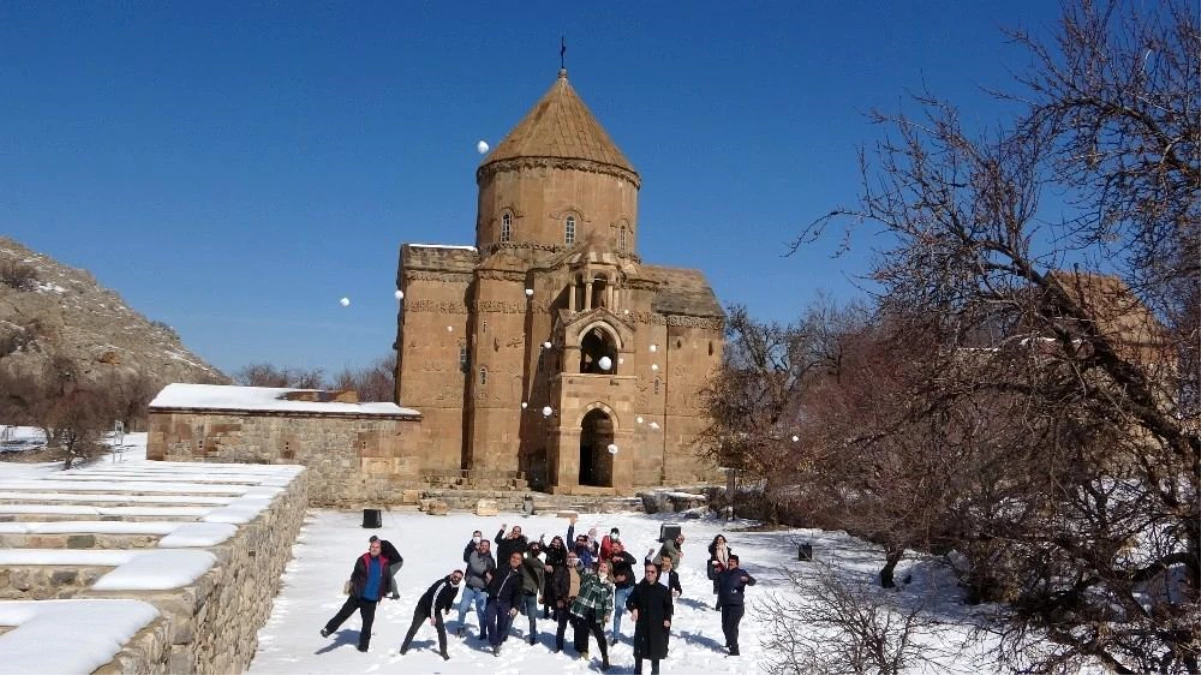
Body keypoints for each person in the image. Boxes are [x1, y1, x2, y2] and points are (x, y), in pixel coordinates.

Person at [320, 538, 394, 652]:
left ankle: (363, 648)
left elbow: (387, 579)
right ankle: (328, 630)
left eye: (377, 547)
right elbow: (355, 574)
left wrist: (385, 591)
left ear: (380, 550)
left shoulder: (384, 563)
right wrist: (354, 586)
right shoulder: (363, 559)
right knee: (343, 613)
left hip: (371, 600)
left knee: (367, 624)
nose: (374, 549)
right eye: (372, 547)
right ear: (369, 548)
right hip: (357, 595)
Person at [400, 569, 463, 660]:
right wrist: (433, 616)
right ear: (452, 575)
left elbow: (450, 599)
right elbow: (433, 599)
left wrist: (447, 609)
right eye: (455, 576)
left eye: (459, 578)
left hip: (436, 610)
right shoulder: (443, 584)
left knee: (441, 629)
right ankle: (404, 648)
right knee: (414, 627)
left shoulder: (455, 588)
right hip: (424, 607)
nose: (456, 579)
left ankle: (443, 651)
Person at [626, 561, 673, 675]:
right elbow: (630, 601)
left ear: (656, 574)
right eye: (647, 572)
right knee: (639, 655)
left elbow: (668, 606)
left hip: (657, 627)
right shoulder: (639, 588)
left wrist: (667, 619)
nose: (649, 574)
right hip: (642, 626)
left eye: (652, 572)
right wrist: (634, 609)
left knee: (655, 655)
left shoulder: (663, 589)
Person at [570, 559, 613, 670]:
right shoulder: (590, 576)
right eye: (601, 566)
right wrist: (578, 562)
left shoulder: (609, 586)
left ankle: (604, 656)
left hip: (598, 613)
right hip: (584, 609)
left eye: (605, 567)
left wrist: (607, 614)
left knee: (600, 636)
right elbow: (581, 569)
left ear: (608, 570)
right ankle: (584, 651)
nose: (602, 569)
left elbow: (609, 602)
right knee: (583, 631)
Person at [484, 550, 524, 656]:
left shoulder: (519, 577)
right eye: (513, 557)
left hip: (505, 603)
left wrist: (515, 606)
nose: (515, 560)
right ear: (510, 558)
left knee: (502, 625)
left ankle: (498, 644)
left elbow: (518, 593)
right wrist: (489, 586)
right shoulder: (502, 568)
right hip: (492, 600)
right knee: (489, 620)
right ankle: (493, 641)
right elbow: (492, 580)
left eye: (517, 559)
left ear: (520, 562)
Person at [716, 554, 756, 656]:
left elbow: (753, 582)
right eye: (729, 561)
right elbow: (713, 578)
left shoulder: (741, 573)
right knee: (725, 627)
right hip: (725, 604)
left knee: (731, 627)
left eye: (733, 561)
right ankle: (730, 641)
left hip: (737, 605)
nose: (730, 563)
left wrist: (747, 580)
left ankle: (734, 650)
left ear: (737, 563)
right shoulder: (723, 573)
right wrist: (715, 571)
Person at [457, 538, 495, 638]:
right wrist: (485, 572)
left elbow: (492, 573)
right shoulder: (474, 554)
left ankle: (483, 630)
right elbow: (474, 565)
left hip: (482, 590)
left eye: (486, 546)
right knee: (462, 609)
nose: (484, 547)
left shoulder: (491, 560)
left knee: (481, 612)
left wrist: (488, 574)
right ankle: (460, 627)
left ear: (489, 548)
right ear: (479, 546)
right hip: (469, 587)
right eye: (482, 545)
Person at [550, 549, 582, 653]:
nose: (571, 559)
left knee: (577, 626)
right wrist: (559, 599)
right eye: (569, 557)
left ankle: (577, 646)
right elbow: (554, 584)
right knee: (562, 626)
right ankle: (559, 647)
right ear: (566, 559)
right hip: (564, 601)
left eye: (573, 557)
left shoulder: (580, 571)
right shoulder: (561, 569)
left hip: (576, 603)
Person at [608, 540, 638, 641]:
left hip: (631, 587)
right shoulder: (609, 560)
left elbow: (634, 561)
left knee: (637, 610)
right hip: (620, 589)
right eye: (613, 546)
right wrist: (615, 580)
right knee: (618, 611)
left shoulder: (624, 554)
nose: (615, 548)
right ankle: (616, 637)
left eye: (617, 546)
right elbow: (608, 574)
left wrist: (621, 559)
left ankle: (639, 636)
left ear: (620, 547)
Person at [519, 541, 546, 645]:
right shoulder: (525, 556)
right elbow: (530, 562)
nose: (536, 548)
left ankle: (532, 637)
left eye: (537, 547)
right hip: (522, 590)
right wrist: (543, 566)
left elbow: (542, 580)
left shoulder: (540, 563)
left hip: (532, 593)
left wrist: (541, 593)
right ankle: (504, 635)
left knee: (532, 617)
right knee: (514, 612)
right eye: (533, 546)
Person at [541, 533, 567, 619]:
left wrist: (555, 567)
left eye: (558, 542)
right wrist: (541, 540)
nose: (556, 544)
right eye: (555, 542)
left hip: (557, 575)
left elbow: (563, 564)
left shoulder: (562, 551)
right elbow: (542, 547)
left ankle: (555, 613)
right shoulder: (550, 549)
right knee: (546, 591)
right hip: (547, 574)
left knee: (555, 592)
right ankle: (546, 612)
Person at [369, 535, 403, 599]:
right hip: (389, 564)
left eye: (375, 541)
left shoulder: (385, 544)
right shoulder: (376, 547)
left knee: (389, 575)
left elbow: (385, 557)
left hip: (397, 562)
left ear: (378, 540)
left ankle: (396, 594)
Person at [708, 534, 733, 609]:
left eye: (721, 539)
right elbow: (712, 559)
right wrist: (715, 563)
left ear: (724, 540)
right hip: (718, 570)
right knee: (721, 589)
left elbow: (730, 558)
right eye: (718, 539)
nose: (720, 541)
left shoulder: (727, 549)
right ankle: (720, 605)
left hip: (727, 569)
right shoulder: (714, 549)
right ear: (716, 541)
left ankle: (721, 604)